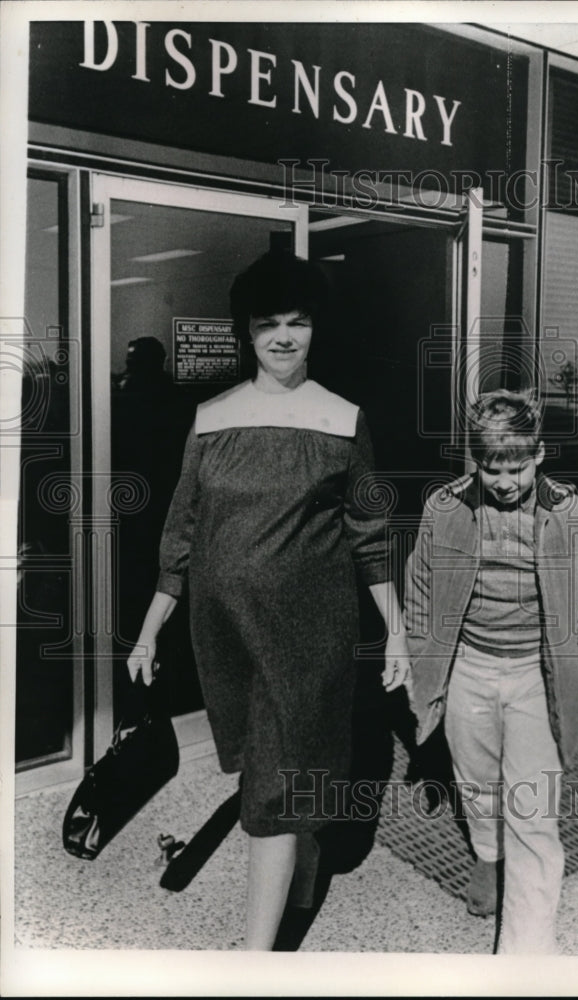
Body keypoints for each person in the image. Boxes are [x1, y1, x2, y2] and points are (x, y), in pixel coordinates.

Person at [128, 250, 409, 950]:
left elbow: (371, 538)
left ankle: (255, 962)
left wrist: (397, 634)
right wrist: (147, 631)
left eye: (298, 322)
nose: (284, 337)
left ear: (315, 329)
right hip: (223, 637)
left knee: (269, 796)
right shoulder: (213, 417)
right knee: (271, 772)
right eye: (267, 325)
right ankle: (307, 861)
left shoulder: (343, 421)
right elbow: (181, 532)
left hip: (307, 639)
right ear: (245, 335)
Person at [403, 389, 578, 954]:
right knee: (475, 783)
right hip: (469, 668)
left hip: (535, 677)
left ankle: (527, 956)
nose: (503, 482)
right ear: (474, 460)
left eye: (516, 467)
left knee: (533, 811)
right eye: (490, 468)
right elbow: (422, 591)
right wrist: (429, 666)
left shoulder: (574, 517)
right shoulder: (446, 510)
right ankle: (487, 855)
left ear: (540, 454)